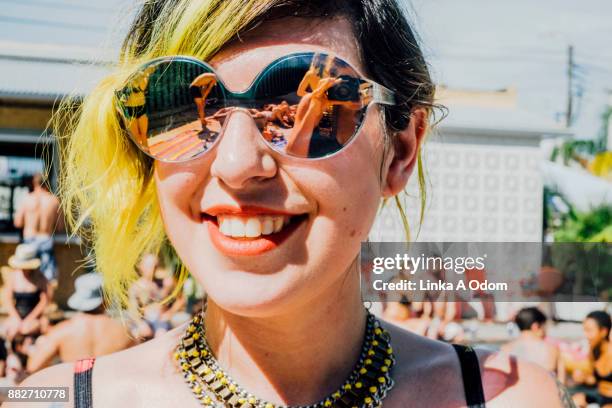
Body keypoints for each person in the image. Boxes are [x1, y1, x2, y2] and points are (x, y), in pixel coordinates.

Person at [13, 1, 572, 407]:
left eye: (312, 108)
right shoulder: (51, 402)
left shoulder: (511, 399)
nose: (237, 164)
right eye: (182, 110)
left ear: (401, 150)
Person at [25, 273, 135, 373]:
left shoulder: (62, 331)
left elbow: (33, 367)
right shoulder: (124, 331)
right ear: (105, 300)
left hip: (78, 392)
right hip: (110, 391)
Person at [13, 173, 63, 284]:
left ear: (34, 183)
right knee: (47, 279)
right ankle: (44, 300)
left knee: (27, 278)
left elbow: (17, 223)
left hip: (29, 242)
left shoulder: (27, 199)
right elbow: (60, 227)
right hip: (45, 241)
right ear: (47, 184)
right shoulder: (54, 201)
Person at [502, 307, 565, 383]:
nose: (546, 331)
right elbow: (562, 386)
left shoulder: (505, 350)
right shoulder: (552, 350)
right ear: (536, 326)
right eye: (544, 326)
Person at [2, 244, 49, 341]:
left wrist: (30, 318)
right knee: (6, 330)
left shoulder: (40, 278)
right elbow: (7, 299)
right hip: (16, 315)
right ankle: (11, 353)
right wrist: (16, 318)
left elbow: (44, 301)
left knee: (27, 329)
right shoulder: (13, 276)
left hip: (34, 316)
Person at [572, 311, 612, 408]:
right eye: (584, 330)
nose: (586, 335)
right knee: (574, 399)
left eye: (589, 330)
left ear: (603, 331)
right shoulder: (593, 350)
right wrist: (584, 377)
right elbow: (594, 379)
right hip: (599, 394)